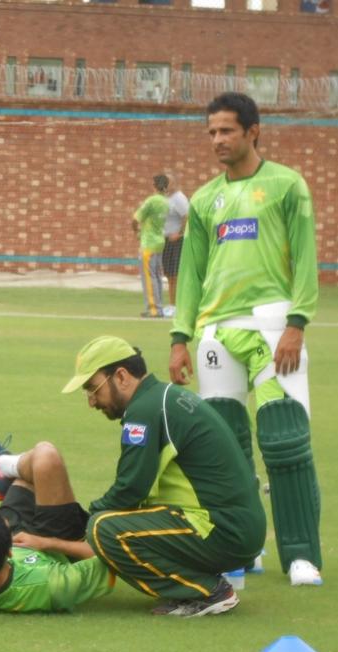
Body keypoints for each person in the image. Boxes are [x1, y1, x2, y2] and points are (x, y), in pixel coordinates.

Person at [0, 336, 266, 616]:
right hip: (232, 528)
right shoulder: (160, 399)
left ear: (122, 376)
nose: (91, 401)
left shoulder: (144, 410)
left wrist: (86, 526)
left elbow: (129, 490)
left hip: (221, 529)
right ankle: (6, 470)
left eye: (93, 388)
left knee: (103, 529)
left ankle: (209, 591)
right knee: (92, 518)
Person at [169, 91, 322, 587]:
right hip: (216, 333)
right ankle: (243, 547)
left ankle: (301, 555)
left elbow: (304, 257)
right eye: (211, 131)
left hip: (275, 327)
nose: (217, 139)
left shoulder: (286, 185)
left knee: (285, 440)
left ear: (253, 131)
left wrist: (297, 323)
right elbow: (190, 275)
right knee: (227, 448)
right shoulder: (204, 199)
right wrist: (180, 336)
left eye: (227, 130)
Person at [0, 443, 115, 613]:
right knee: (45, 457)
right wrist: (47, 543)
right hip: (58, 541)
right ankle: (2, 465)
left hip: (17, 532)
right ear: (9, 552)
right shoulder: (49, 584)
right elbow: (110, 555)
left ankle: (5, 473)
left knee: (27, 478)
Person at [132, 175, 169, 318]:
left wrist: (136, 232)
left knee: (149, 277)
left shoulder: (152, 201)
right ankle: (158, 307)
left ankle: (153, 309)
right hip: (159, 242)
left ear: (154, 185)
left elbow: (135, 219)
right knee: (157, 276)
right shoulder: (165, 202)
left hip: (148, 243)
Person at [160, 173, 189, 313]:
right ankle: (172, 305)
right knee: (169, 275)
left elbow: (187, 216)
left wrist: (180, 233)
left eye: (168, 182)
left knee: (176, 274)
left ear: (174, 183)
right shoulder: (166, 198)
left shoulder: (179, 198)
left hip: (176, 242)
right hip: (166, 241)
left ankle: (177, 306)